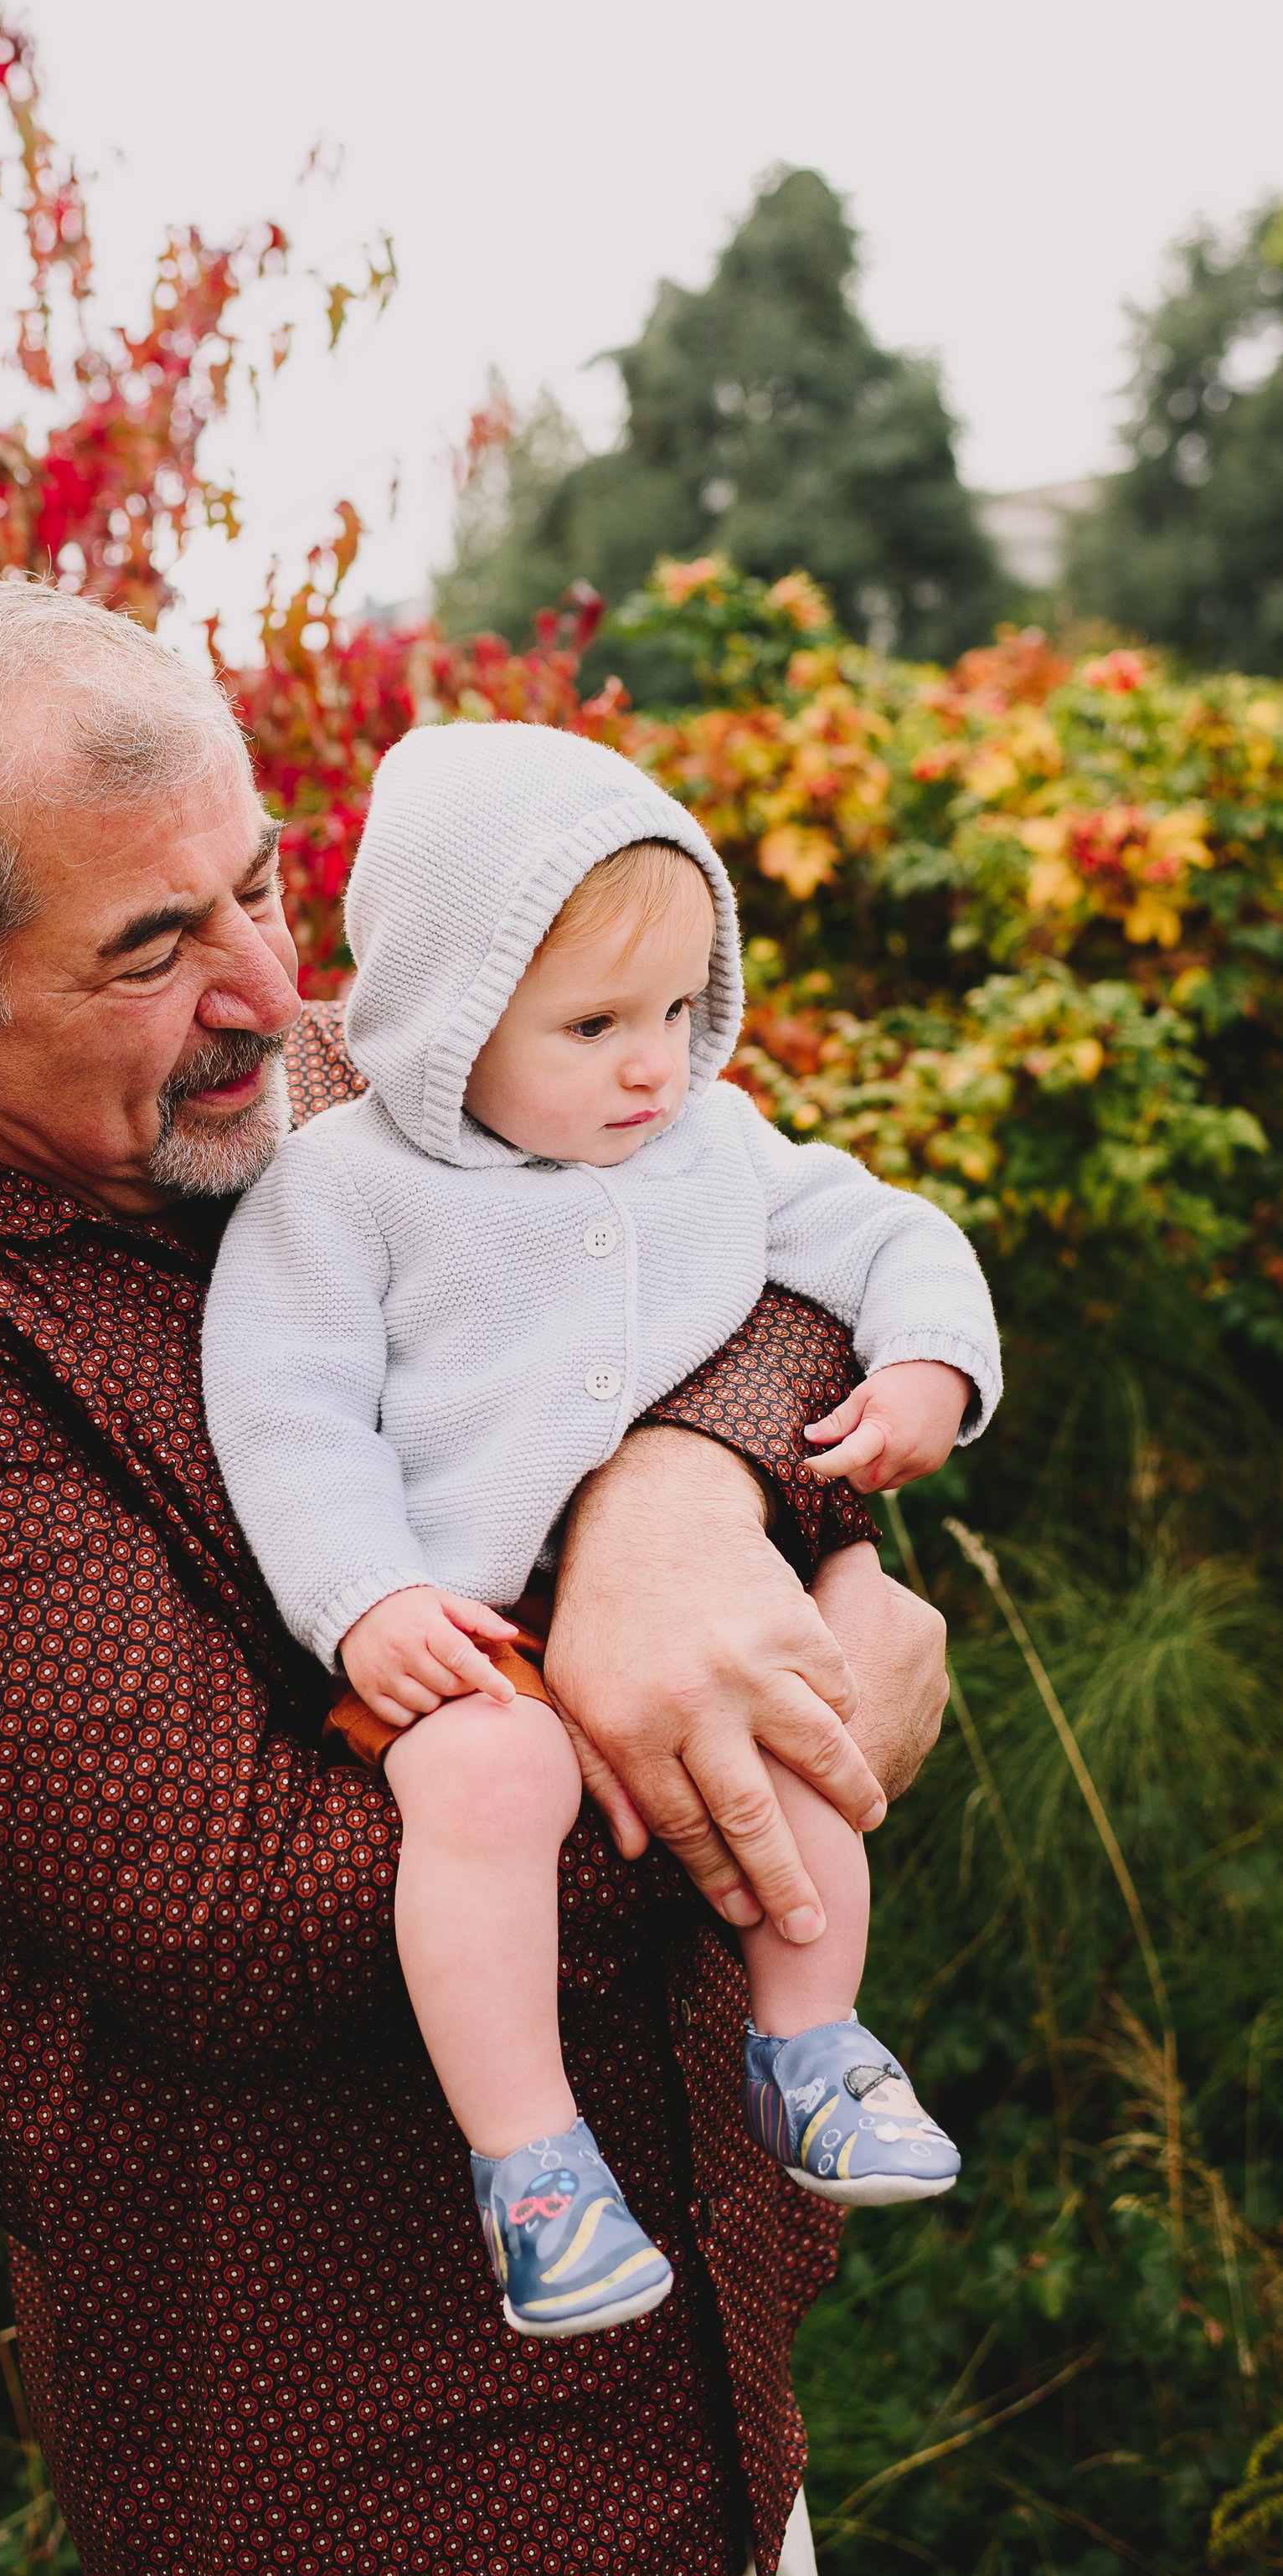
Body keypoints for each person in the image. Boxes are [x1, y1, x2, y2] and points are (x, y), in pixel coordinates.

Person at [0, 577, 952, 2576]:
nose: (278, 994)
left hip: (719, 2389)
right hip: (407, 2534)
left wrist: (679, 1493)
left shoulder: (370, 1077)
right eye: (149, 947)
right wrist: (771, 1724)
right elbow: (250, 1917)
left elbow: (745, 1251)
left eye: (263, 878)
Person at [203, 723, 1000, 2349]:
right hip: (461, 1628)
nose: (651, 1064)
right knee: (489, 1782)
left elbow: (880, 1228)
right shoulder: (340, 1190)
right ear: (443, 1024)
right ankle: (532, 2167)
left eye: (673, 1012)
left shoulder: (702, 1136)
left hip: (679, 1610)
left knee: (786, 1700)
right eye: (591, 1025)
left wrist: (928, 1355)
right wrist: (363, 1604)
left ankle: (811, 2041)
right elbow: (282, 1410)